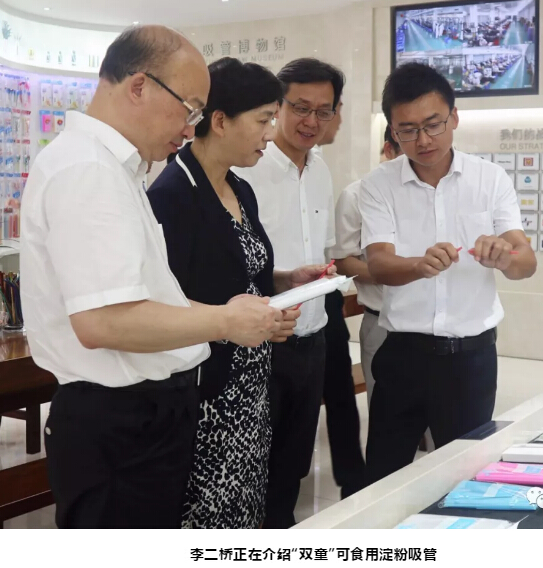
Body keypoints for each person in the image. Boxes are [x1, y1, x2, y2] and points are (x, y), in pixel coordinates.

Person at [19, 26, 282, 529]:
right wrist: (225, 322)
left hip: (139, 416)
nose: (190, 127)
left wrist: (228, 317)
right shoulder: (88, 171)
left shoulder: (115, 169)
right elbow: (103, 322)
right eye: (190, 109)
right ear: (139, 86)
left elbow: (146, 299)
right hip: (119, 420)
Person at [147, 58, 333, 528]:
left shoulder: (238, 188)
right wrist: (234, 322)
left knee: (249, 507)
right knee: (206, 515)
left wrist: (285, 280)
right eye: (263, 119)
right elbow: (164, 302)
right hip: (205, 393)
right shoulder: (173, 195)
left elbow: (240, 275)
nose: (270, 134)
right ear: (220, 120)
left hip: (251, 383)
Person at [360, 62, 537, 486]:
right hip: (402, 356)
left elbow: (526, 261)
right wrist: (417, 265)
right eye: (407, 130)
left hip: (470, 361)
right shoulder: (378, 185)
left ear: (454, 117)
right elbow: (378, 264)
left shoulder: (489, 178)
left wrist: (505, 256)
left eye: (433, 124)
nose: (422, 140)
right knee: (383, 478)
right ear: (392, 131)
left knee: (464, 479)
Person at [233, 57, 344, 528]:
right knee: (251, 469)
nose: (311, 121)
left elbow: (323, 248)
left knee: (293, 465)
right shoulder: (245, 170)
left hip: (312, 341)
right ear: (277, 107)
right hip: (259, 345)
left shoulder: (321, 171)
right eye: (300, 107)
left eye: (323, 111)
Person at [312, 100, 367, 500]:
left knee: (340, 389)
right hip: (283, 301)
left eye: (328, 112)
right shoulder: (257, 169)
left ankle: (352, 476)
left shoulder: (318, 169)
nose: (328, 122)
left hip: (322, 292)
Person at [330, 125, 401, 409]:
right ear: (389, 150)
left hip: (436, 327)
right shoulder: (356, 195)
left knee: (439, 422)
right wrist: (397, 274)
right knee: (386, 415)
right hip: (382, 322)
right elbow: (342, 260)